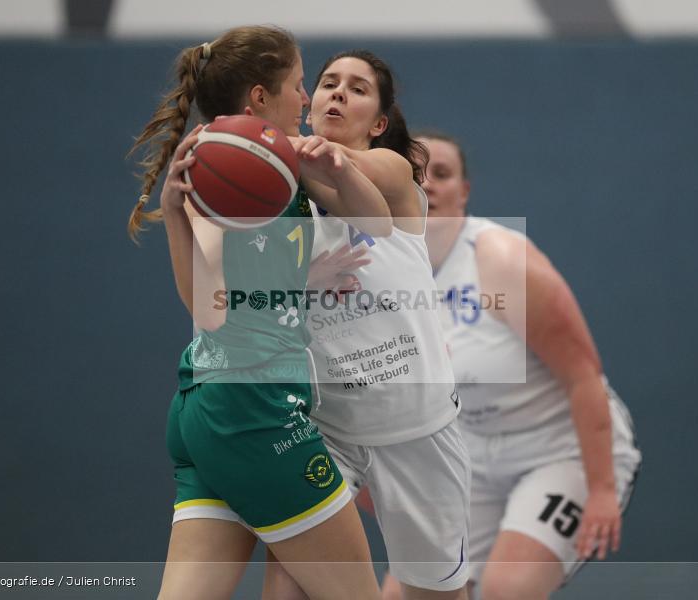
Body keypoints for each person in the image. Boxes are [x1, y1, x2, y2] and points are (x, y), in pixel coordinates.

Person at [127, 26, 393, 600]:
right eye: (300, 85)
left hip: (203, 409)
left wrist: (338, 172)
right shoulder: (220, 167)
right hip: (256, 411)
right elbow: (212, 306)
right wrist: (179, 216)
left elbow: (380, 225)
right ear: (259, 97)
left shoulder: (274, 157)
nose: (307, 100)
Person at [379, 132, 642, 600]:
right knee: (403, 594)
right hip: (472, 457)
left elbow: (584, 375)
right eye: (415, 173)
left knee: (507, 590)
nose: (428, 185)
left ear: (464, 192)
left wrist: (601, 488)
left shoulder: (499, 260)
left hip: (560, 450)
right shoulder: (379, 271)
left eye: (442, 174)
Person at [266, 52, 472, 600]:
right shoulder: (277, 197)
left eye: (357, 89)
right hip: (326, 428)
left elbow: (364, 170)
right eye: (328, 83)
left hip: (417, 426)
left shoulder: (394, 174)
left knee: (434, 591)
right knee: (288, 586)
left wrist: (265, 142)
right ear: (309, 106)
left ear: (378, 123)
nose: (338, 93)